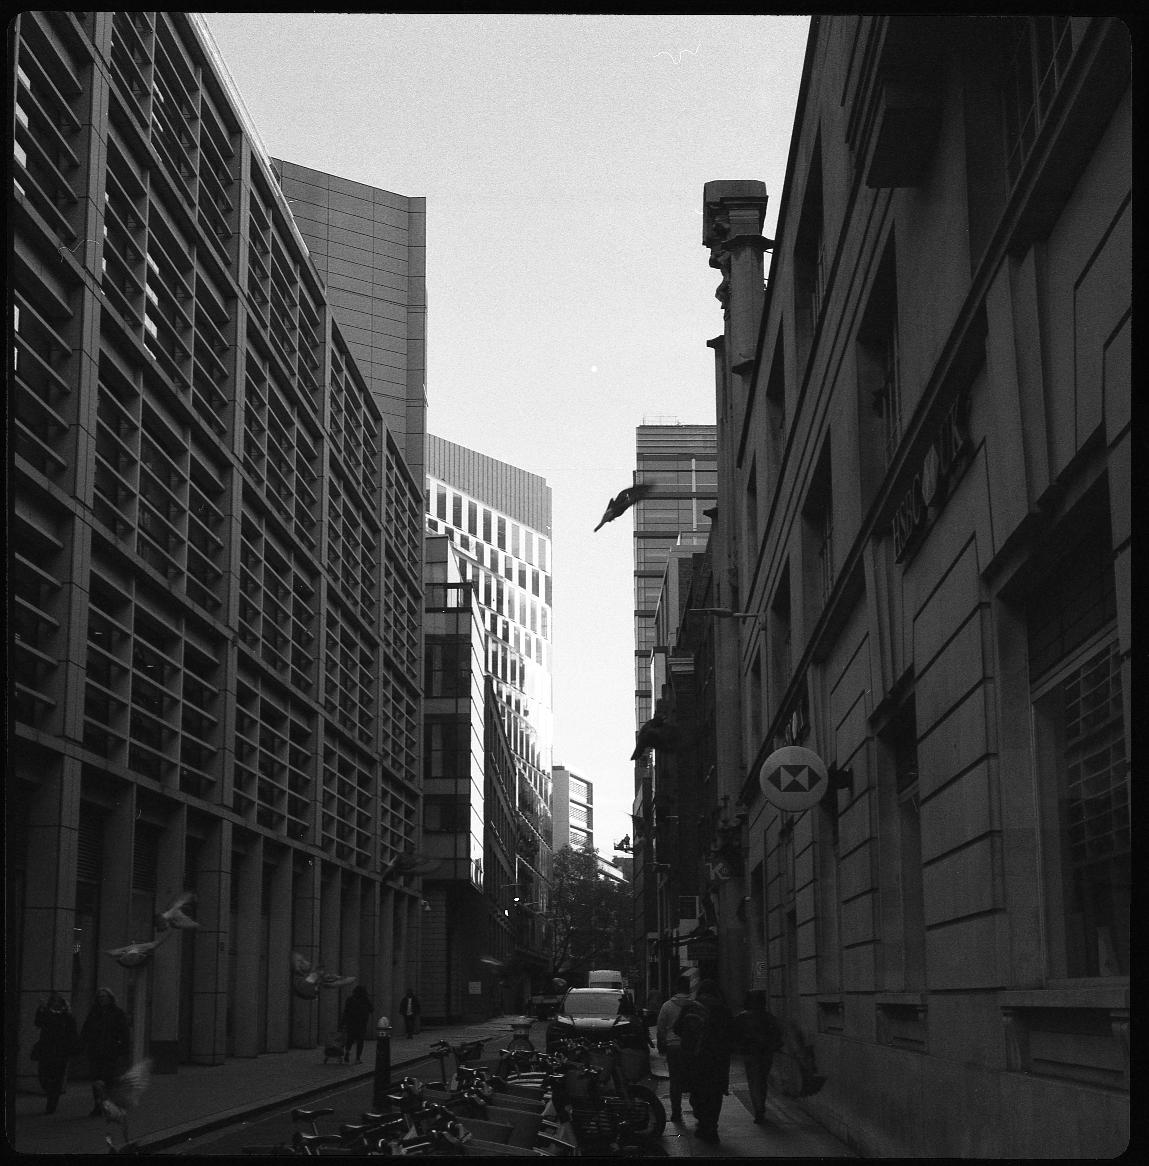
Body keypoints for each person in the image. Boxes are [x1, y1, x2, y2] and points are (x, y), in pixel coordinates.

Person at [675, 978, 734, 1145]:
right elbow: (731, 1034)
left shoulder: (690, 1007)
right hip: (718, 1060)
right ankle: (712, 1126)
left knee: (697, 1091)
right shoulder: (723, 1009)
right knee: (715, 1094)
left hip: (695, 1058)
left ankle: (702, 1122)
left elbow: (678, 1029)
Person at [734, 990, 784, 1123]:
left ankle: (758, 1108)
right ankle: (760, 1106)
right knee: (762, 1081)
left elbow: (735, 1035)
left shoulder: (742, 1017)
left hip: (750, 1054)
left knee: (753, 1081)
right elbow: (778, 1035)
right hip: (766, 1053)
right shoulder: (769, 1017)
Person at [81, 987, 130, 1117]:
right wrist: (84, 1044)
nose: (102, 999)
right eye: (100, 997)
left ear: (110, 998)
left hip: (110, 1051)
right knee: (96, 1079)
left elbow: (124, 1032)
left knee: (108, 1079)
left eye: (104, 997)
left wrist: (122, 1049)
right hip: (95, 1051)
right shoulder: (94, 1013)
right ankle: (98, 1105)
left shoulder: (117, 1013)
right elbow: (86, 1030)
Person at [655, 974, 694, 1123]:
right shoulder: (694, 1005)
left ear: (676, 987)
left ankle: (676, 1112)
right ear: (688, 988)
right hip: (690, 1046)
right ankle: (696, 1108)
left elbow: (660, 1028)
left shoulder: (667, 1006)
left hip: (673, 1047)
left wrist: (661, 1043)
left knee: (675, 1081)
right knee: (693, 1078)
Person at [34, 992, 80, 1114]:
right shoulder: (47, 1013)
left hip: (61, 1052)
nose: (55, 1004)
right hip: (46, 1050)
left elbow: (72, 1034)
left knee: (57, 1078)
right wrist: (41, 1009)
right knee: (43, 1075)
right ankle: (50, 1093)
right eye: (53, 1002)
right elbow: (38, 1022)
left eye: (58, 1002)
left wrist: (72, 1049)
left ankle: (52, 1103)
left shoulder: (67, 1017)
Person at [341, 985, 374, 1064]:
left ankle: (347, 1053)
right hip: (361, 1023)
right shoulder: (365, 999)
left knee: (350, 1039)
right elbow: (372, 1009)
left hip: (351, 1022)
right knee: (360, 1041)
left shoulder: (350, 999)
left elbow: (346, 1011)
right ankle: (357, 1058)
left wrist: (343, 1022)